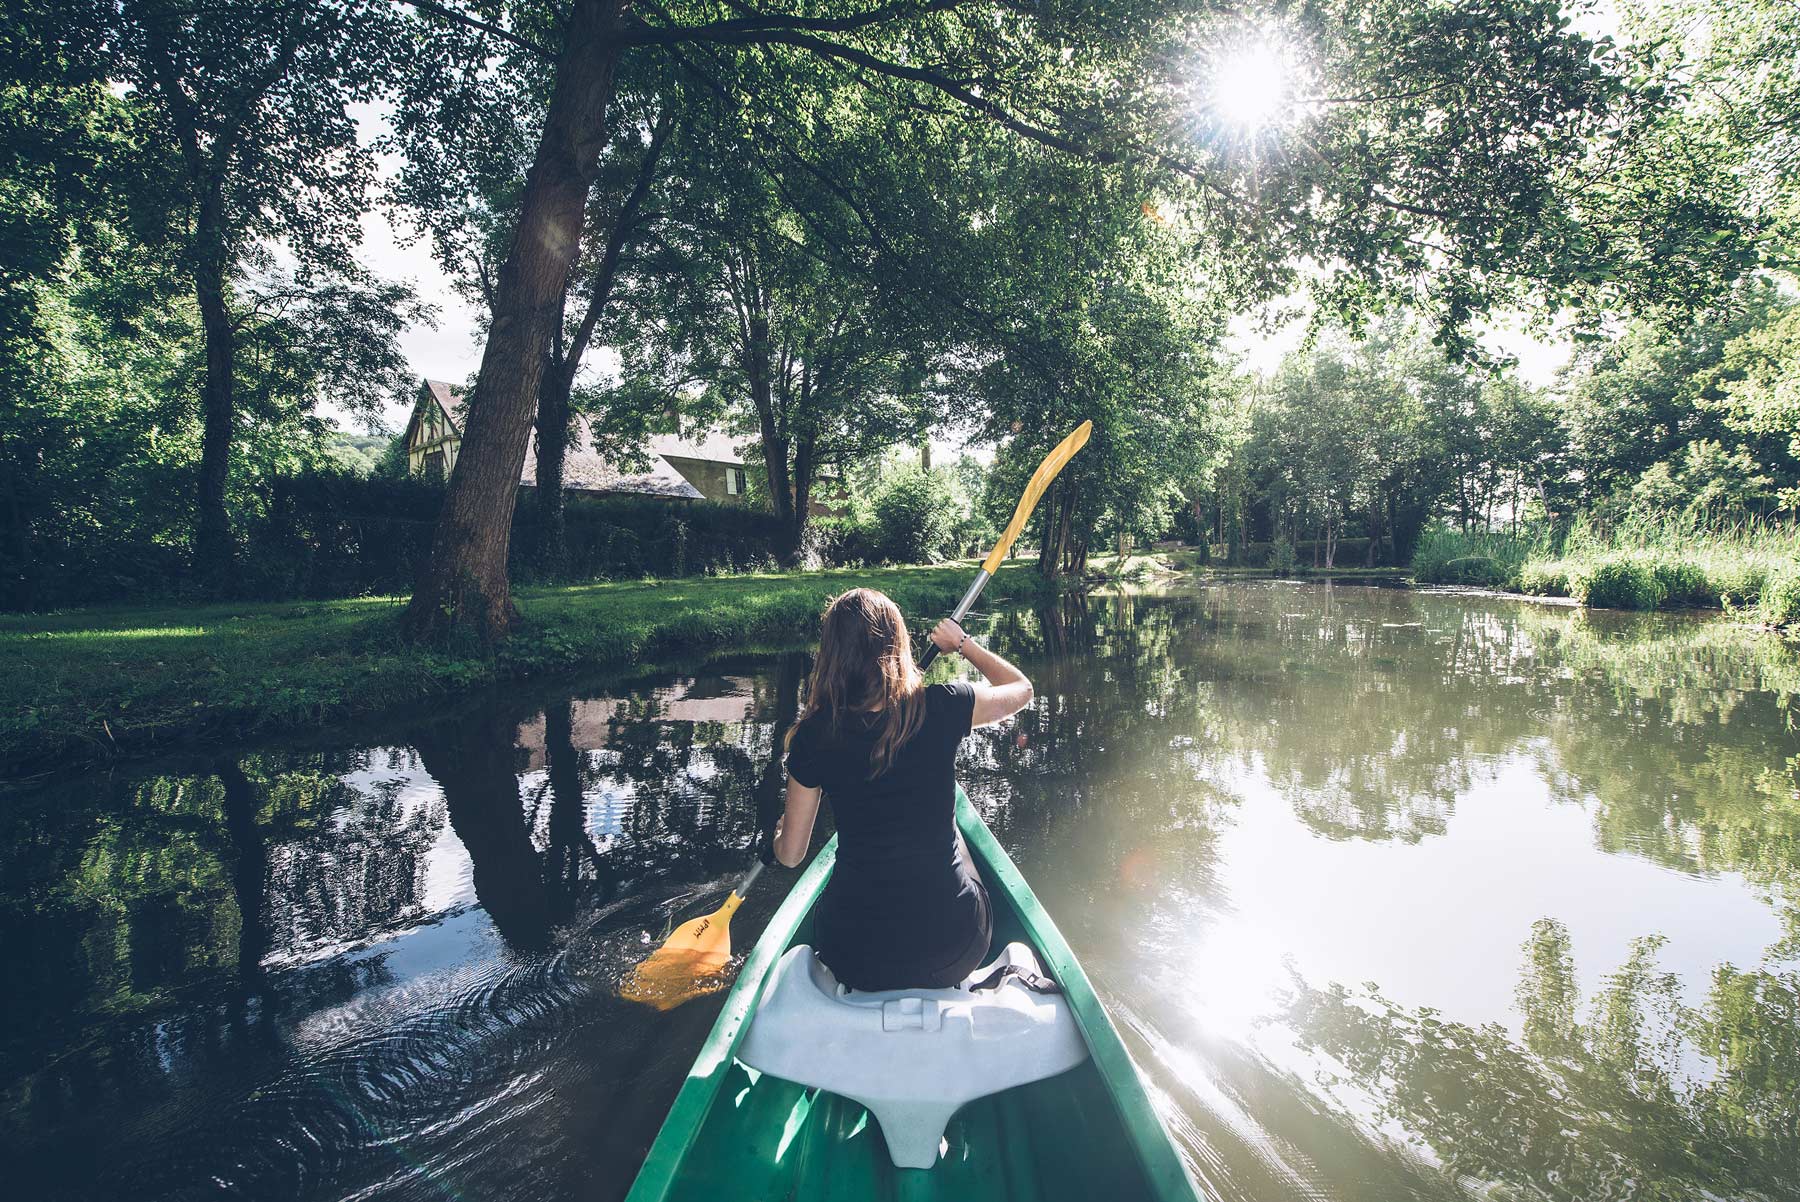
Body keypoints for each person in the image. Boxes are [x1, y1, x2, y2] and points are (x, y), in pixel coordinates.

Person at [769, 588, 1034, 991]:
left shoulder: (813, 736)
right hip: (955, 950)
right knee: (956, 831)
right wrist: (962, 644)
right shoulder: (945, 704)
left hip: (852, 957)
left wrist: (774, 833)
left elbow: (790, 856)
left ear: (832, 656)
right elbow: (1021, 689)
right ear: (897, 645)